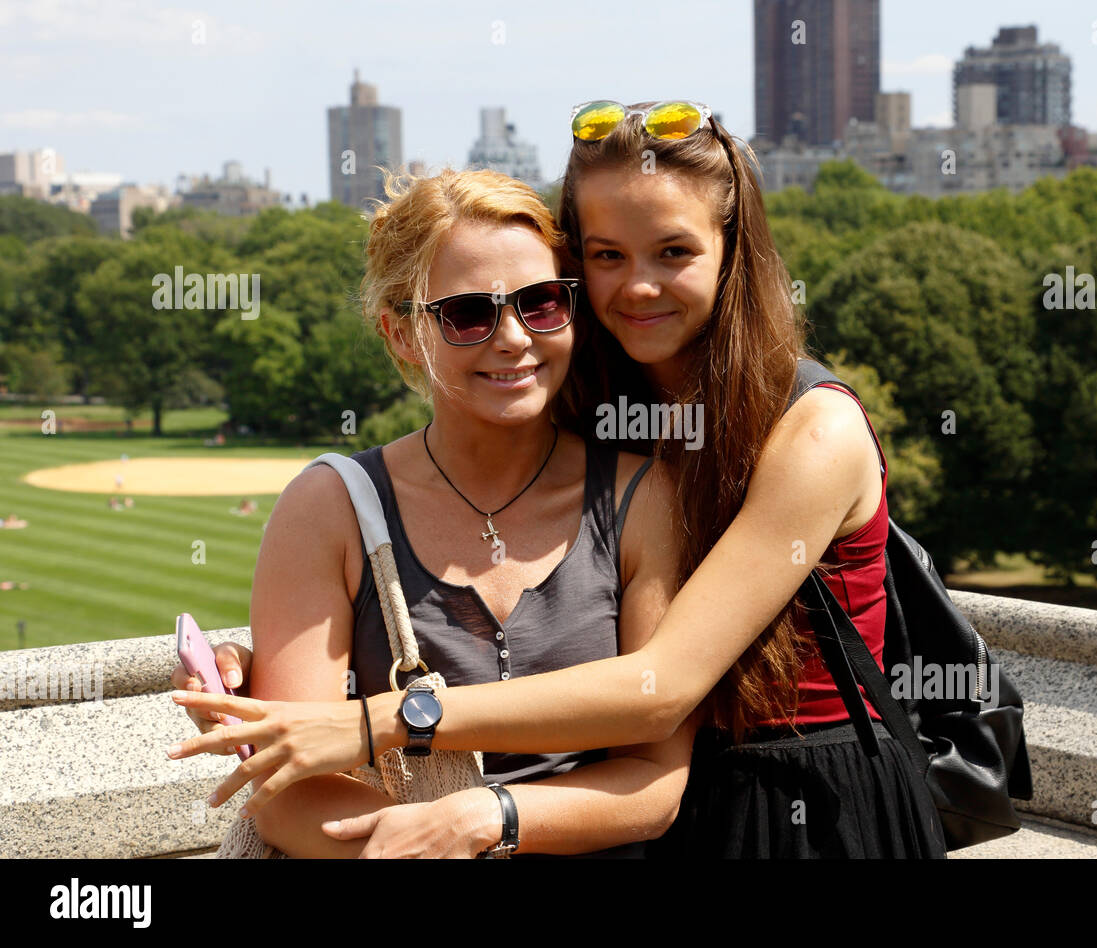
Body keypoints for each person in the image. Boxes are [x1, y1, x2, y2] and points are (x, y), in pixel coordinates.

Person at [172, 100, 946, 858]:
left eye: (673, 251)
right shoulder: (612, 404)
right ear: (403, 334)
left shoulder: (812, 429)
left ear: (732, 251)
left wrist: (382, 720)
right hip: (674, 812)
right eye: (607, 256)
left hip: (810, 796)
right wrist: (283, 661)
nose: (638, 286)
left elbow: (662, 687)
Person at [172, 167, 694, 858]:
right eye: (470, 313)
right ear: (400, 335)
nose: (512, 337)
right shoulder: (329, 508)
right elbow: (293, 793)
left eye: (541, 303)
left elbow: (656, 783)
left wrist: (488, 822)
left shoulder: (642, 499)